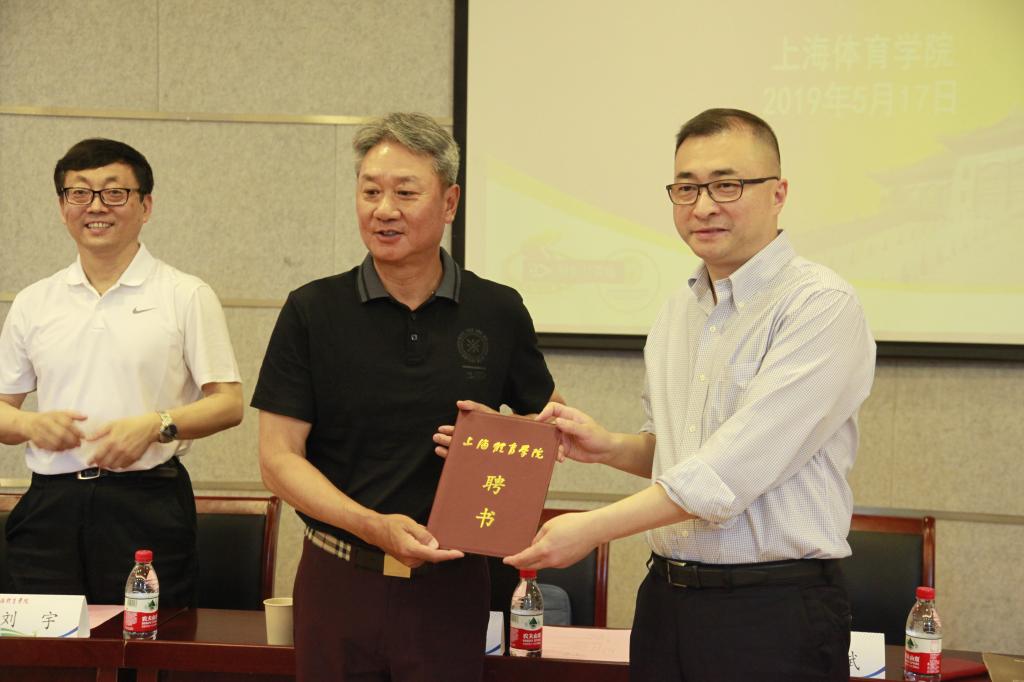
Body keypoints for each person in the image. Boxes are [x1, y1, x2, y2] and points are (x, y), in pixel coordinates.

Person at [505, 109, 876, 681]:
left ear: (778, 193)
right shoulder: (679, 309)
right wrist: (609, 447)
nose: (703, 206)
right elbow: (680, 456)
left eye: (727, 185)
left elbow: (730, 471)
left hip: (772, 610)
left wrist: (592, 527)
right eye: (686, 188)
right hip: (666, 599)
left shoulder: (819, 305)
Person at [252, 112, 559, 682]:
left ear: (450, 202)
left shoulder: (497, 310)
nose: (384, 209)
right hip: (338, 577)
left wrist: (496, 442)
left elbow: (553, 430)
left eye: (405, 193)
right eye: (370, 191)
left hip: (453, 585)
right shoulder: (312, 310)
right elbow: (277, 458)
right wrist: (370, 524)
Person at [0, 138, 243, 607]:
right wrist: (31, 424)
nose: (96, 206)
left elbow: (228, 403)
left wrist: (157, 424)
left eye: (114, 192)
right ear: (62, 207)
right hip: (50, 505)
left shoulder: (185, 294)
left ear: (145, 206)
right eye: (79, 193)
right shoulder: (34, 301)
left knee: (147, 642)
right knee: (46, 645)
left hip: (147, 503)